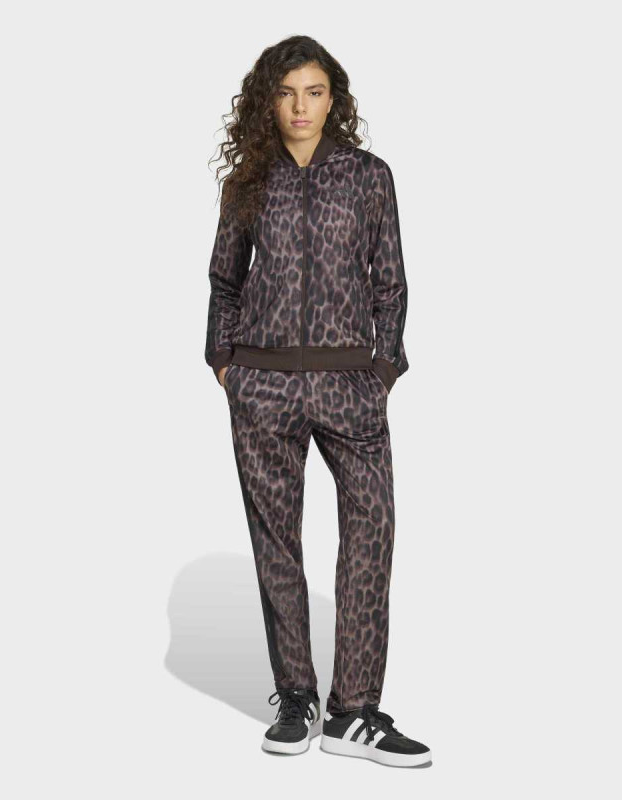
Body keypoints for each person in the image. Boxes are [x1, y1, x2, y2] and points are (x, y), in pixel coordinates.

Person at [204, 35, 431, 768]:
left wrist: (383, 369)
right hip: (263, 386)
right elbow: (225, 280)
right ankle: (297, 698)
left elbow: (390, 281)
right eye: (286, 93)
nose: (300, 107)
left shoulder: (367, 177)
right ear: (267, 101)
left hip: (349, 387)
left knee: (371, 532)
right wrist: (225, 364)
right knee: (277, 543)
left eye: (314, 92)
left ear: (334, 100)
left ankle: (354, 712)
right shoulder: (249, 180)